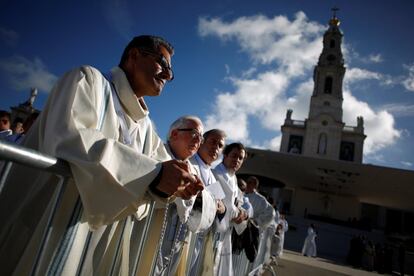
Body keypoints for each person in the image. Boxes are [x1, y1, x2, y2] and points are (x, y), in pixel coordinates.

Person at [0, 35, 202, 275]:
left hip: (101, 248)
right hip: (48, 226)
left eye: (171, 71)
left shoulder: (146, 128)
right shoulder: (87, 80)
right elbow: (70, 139)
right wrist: (154, 175)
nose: (168, 75)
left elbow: (162, 169)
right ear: (134, 55)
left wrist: (178, 182)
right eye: (163, 64)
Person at [154, 116, 216, 276]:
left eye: (201, 137)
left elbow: (214, 204)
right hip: (151, 236)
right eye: (194, 133)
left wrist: (201, 196)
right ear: (174, 134)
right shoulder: (155, 152)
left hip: (178, 242)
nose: (198, 140)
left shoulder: (194, 170)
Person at [188, 129, 227, 276]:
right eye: (212, 142)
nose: (216, 147)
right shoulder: (188, 162)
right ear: (202, 141)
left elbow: (222, 209)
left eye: (220, 145)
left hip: (197, 242)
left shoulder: (212, 177)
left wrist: (221, 208)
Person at [212, 142, 248, 276]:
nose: (237, 160)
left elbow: (238, 205)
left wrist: (243, 214)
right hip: (212, 231)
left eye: (240, 158)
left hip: (225, 234)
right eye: (234, 155)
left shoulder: (233, 178)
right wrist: (239, 213)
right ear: (225, 155)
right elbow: (220, 206)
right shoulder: (215, 174)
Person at [245, 176, 276, 272]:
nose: (247, 184)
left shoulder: (260, 199)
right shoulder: (242, 194)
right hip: (240, 229)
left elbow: (271, 213)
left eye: (249, 182)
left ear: (254, 185)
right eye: (247, 182)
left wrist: (256, 221)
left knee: (248, 259)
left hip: (252, 231)